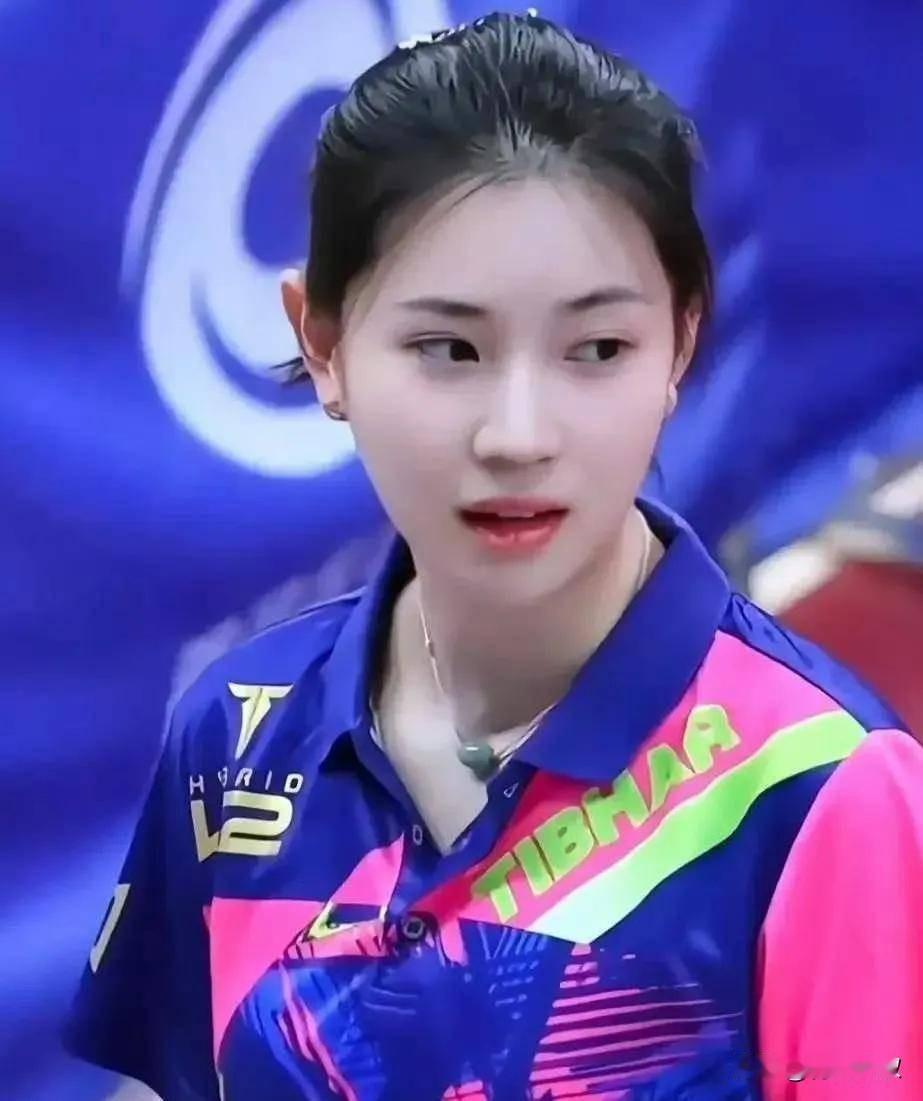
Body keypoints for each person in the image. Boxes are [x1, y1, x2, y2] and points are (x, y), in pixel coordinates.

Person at [65, 12, 923, 1101]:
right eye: (448, 349)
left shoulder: (821, 785)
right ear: (322, 344)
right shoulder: (236, 734)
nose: (518, 435)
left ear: (679, 343)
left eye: (596, 348)